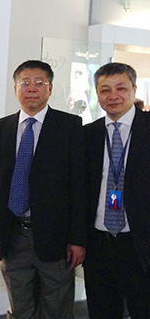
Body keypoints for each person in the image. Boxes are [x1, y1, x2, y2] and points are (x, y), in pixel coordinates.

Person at [0, 60, 86, 319]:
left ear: (50, 89)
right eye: (25, 83)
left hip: (56, 237)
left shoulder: (69, 126)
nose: (32, 88)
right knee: (20, 308)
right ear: (15, 89)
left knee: (57, 308)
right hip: (13, 234)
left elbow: (79, 187)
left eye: (39, 83)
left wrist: (77, 239)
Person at [83, 62, 150, 319]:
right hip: (98, 243)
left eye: (121, 88)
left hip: (140, 244)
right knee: (101, 311)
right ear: (97, 94)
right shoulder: (87, 135)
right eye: (105, 90)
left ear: (134, 89)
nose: (113, 96)